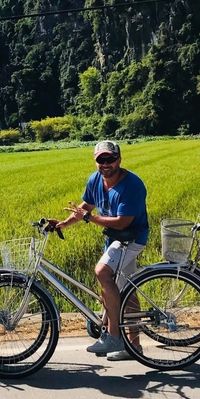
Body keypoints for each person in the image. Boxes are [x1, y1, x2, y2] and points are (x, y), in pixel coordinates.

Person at [49, 140, 149, 361]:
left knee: (103, 272)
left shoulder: (132, 185)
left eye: (110, 159)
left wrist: (90, 218)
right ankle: (133, 347)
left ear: (119, 160)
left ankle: (114, 336)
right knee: (125, 290)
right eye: (101, 160)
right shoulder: (95, 180)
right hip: (114, 239)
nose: (106, 164)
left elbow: (123, 222)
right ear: (96, 162)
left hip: (131, 238)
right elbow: (85, 207)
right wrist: (63, 224)